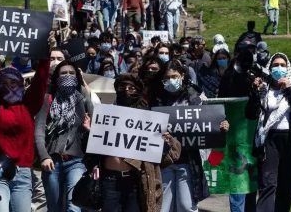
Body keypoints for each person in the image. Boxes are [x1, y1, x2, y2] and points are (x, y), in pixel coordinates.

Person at [0, 40, 50, 212]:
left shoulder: (29, 105)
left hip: (22, 173)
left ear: (20, 85)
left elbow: (40, 82)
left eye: (13, 83)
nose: (9, 87)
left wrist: (46, 55)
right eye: (4, 84)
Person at [84, 74, 181, 212]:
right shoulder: (107, 115)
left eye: (131, 88)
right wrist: (90, 132)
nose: (126, 90)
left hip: (136, 182)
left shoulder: (148, 119)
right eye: (122, 87)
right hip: (110, 180)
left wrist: (165, 141)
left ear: (138, 92)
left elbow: (165, 158)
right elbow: (91, 152)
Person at [152, 61, 228, 212]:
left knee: (186, 206)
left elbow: (210, 120)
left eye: (175, 76)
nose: (171, 80)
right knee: (163, 207)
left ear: (182, 76)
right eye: (167, 78)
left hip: (187, 161)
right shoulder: (157, 98)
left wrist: (222, 125)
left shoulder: (195, 96)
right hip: (164, 160)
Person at [246, 53, 291, 212]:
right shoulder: (263, 89)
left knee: (287, 186)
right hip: (269, 141)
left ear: (288, 68)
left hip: (289, 141)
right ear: (269, 68)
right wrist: (255, 93)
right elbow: (250, 114)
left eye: (282, 65)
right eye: (275, 65)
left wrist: (287, 90)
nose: (279, 68)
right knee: (268, 184)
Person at [35, 61, 96, 212]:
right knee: (54, 208)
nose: (68, 76)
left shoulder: (83, 98)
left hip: (77, 161)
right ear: (56, 78)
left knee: (74, 207)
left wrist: (89, 129)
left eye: (71, 73)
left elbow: (97, 130)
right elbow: (39, 130)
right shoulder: (48, 99)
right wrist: (43, 156)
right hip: (52, 162)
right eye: (63, 73)